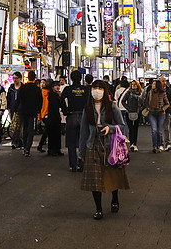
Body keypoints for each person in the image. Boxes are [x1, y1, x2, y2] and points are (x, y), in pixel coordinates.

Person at [80, 80, 129, 219]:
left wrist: (110, 128)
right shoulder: (87, 108)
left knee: (111, 174)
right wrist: (81, 152)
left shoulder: (112, 107)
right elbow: (83, 132)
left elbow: (122, 126)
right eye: (94, 87)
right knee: (95, 178)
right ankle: (98, 208)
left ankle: (115, 198)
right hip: (93, 144)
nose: (97, 90)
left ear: (105, 90)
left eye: (100, 88)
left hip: (109, 144)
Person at [61, 69, 89, 172]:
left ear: (71, 78)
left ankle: (73, 165)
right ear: (81, 78)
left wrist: (66, 111)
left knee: (71, 142)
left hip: (71, 115)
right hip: (83, 115)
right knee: (83, 140)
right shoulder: (85, 89)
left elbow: (61, 100)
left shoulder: (68, 89)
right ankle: (81, 164)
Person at [141, 78, 169, 152]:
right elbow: (146, 101)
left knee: (159, 131)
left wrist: (163, 109)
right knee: (154, 130)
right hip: (152, 113)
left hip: (161, 113)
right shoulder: (150, 92)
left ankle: (159, 145)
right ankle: (154, 146)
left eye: (154, 84)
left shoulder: (163, 93)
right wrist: (148, 107)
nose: (152, 85)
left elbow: (167, 103)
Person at [18, 71, 42, 156]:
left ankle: (25, 147)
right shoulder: (37, 88)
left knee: (25, 129)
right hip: (33, 111)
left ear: (27, 77)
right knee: (31, 129)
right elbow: (40, 100)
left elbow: (19, 99)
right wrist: (39, 109)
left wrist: (18, 109)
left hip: (23, 111)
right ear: (34, 78)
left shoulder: (23, 87)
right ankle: (27, 148)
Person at [119, 80, 143, 150]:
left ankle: (134, 144)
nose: (133, 86)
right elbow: (123, 101)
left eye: (135, 85)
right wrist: (128, 108)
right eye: (132, 85)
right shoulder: (128, 93)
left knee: (135, 129)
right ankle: (132, 144)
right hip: (129, 112)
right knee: (131, 128)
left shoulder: (140, 93)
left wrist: (140, 109)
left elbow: (142, 103)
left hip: (137, 112)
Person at [44, 79, 64, 156]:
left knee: (56, 134)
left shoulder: (56, 95)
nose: (57, 87)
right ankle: (52, 149)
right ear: (52, 87)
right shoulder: (51, 95)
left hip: (56, 117)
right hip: (52, 117)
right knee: (52, 134)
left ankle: (57, 149)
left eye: (58, 85)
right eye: (56, 86)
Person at [5, 72, 24, 148]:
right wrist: (8, 107)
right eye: (14, 78)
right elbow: (8, 98)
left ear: (20, 79)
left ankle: (17, 141)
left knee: (19, 126)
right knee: (13, 126)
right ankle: (16, 141)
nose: (15, 80)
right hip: (12, 109)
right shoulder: (11, 88)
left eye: (16, 78)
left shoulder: (23, 88)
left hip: (20, 109)